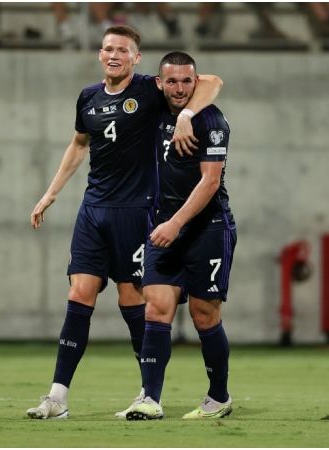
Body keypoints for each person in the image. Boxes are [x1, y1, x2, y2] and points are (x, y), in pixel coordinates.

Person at [26, 25, 222, 420]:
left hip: (139, 211)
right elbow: (79, 143)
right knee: (80, 294)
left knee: (133, 298)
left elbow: (213, 81)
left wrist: (186, 114)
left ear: (136, 58)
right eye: (108, 49)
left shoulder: (151, 90)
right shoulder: (88, 97)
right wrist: (51, 192)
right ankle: (57, 398)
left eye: (123, 50)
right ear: (100, 55)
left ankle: (149, 392)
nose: (114, 55)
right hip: (93, 209)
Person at [122, 51, 235, 420]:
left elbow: (210, 181)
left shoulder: (212, 120)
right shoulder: (153, 108)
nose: (180, 87)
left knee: (205, 315)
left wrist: (177, 224)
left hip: (207, 227)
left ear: (195, 81)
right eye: (172, 80)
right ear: (159, 83)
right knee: (155, 306)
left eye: (188, 80)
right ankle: (150, 399)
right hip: (162, 224)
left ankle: (219, 398)